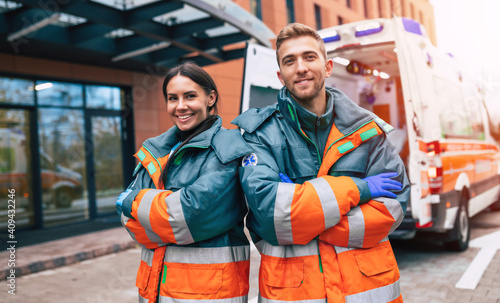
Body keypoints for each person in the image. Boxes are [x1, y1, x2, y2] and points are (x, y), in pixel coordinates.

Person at [232, 23, 410, 303]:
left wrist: (304, 212)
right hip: (296, 293)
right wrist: (359, 189)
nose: (300, 67)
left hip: (367, 291)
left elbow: (395, 205)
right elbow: (270, 216)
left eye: (309, 57)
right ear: (281, 75)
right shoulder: (259, 134)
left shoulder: (366, 129)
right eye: (290, 61)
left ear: (327, 67)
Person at [116, 61, 251, 303]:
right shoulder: (157, 150)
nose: (180, 107)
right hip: (154, 290)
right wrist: (162, 217)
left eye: (190, 96)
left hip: (208, 294)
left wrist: (134, 203)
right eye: (172, 98)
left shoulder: (227, 149)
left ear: (211, 98)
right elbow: (127, 221)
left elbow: (188, 216)